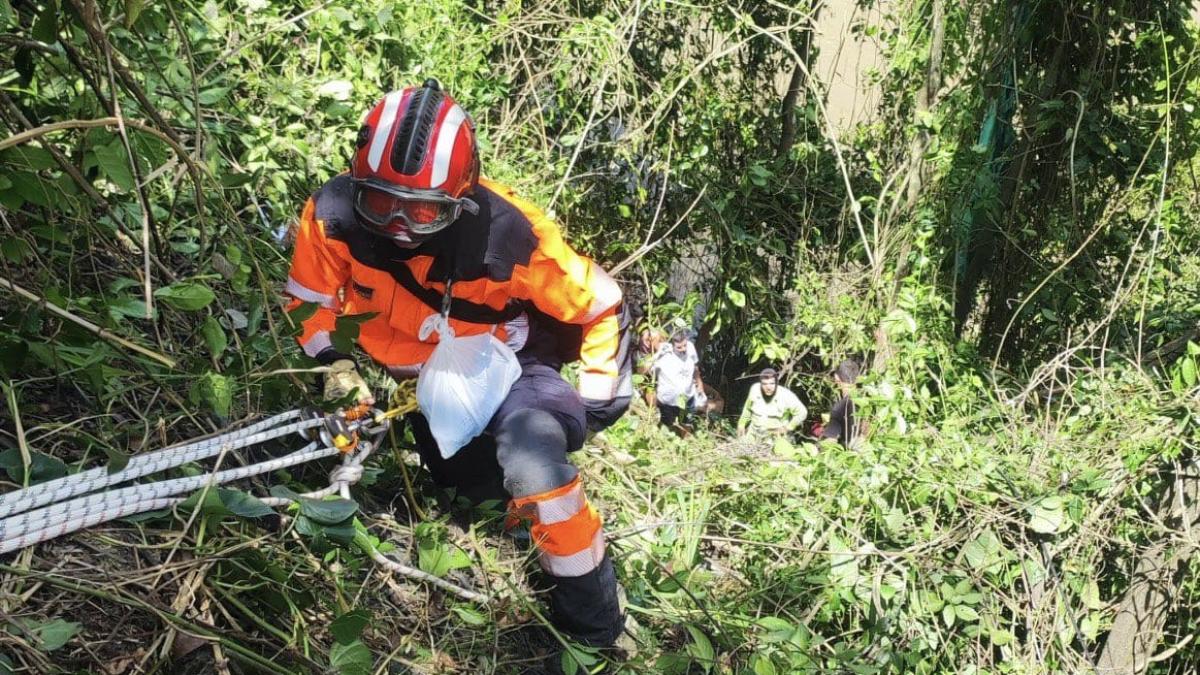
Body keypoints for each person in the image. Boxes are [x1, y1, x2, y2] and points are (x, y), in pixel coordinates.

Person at [285, 80, 633, 649]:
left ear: (460, 199)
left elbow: (603, 307)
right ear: (357, 185)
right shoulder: (332, 219)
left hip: (514, 370)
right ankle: (513, 524)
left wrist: (594, 408)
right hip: (425, 387)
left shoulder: (513, 236)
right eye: (382, 205)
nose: (399, 228)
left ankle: (594, 629)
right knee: (466, 490)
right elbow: (308, 300)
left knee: (533, 463)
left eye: (422, 211)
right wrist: (333, 365)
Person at [649, 330, 703, 429]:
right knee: (666, 427)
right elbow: (643, 371)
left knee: (687, 424)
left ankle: (686, 442)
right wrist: (655, 357)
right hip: (668, 401)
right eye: (679, 347)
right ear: (671, 346)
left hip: (688, 397)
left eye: (684, 345)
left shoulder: (690, 347)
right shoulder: (663, 354)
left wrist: (700, 384)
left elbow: (695, 367)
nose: (683, 349)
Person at [737, 368, 806, 438]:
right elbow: (748, 408)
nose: (768, 387)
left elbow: (802, 412)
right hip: (754, 433)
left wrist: (788, 428)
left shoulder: (786, 395)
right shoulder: (755, 389)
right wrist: (741, 424)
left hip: (774, 437)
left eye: (772, 383)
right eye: (764, 384)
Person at [814, 359, 859, 447]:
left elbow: (830, 441)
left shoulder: (841, 407)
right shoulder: (870, 398)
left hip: (852, 454)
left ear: (836, 378)